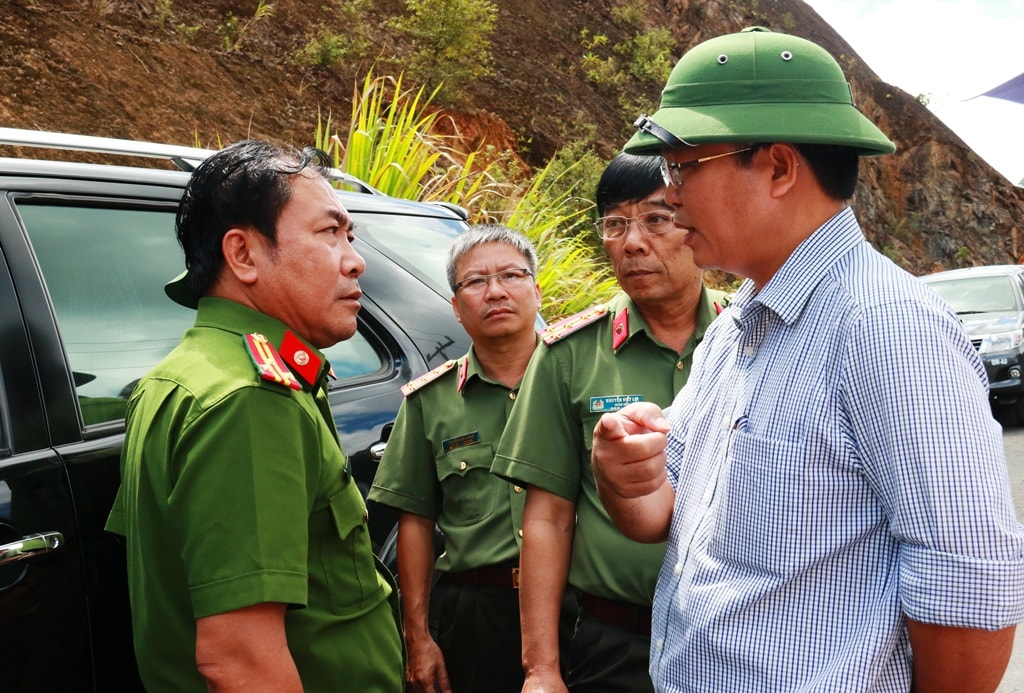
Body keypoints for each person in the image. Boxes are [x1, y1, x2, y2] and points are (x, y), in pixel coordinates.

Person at [591, 27, 1024, 692]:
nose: (669, 194)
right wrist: (627, 478)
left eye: (684, 168)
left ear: (779, 168)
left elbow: (970, 593)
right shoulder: (736, 324)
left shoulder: (884, 328)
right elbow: (663, 511)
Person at [105, 140, 404, 692]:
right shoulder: (249, 398)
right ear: (242, 255)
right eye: (329, 232)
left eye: (351, 235)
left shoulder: (181, 375)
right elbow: (240, 660)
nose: (356, 259)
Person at [491, 153, 729, 692]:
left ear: (695, 225)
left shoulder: (751, 338)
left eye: (656, 219)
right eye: (615, 224)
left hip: (735, 640)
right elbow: (548, 517)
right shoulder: (569, 354)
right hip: (615, 641)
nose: (633, 242)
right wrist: (541, 669)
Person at [369, 224, 542, 693]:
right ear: (456, 309)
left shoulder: (580, 381)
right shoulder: (431, 400)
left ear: (536, 290)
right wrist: (417, 636)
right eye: (475, 282)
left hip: (576, 604)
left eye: (510, 275)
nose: (495, 291)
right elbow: (415, 523)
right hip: (478, 613)